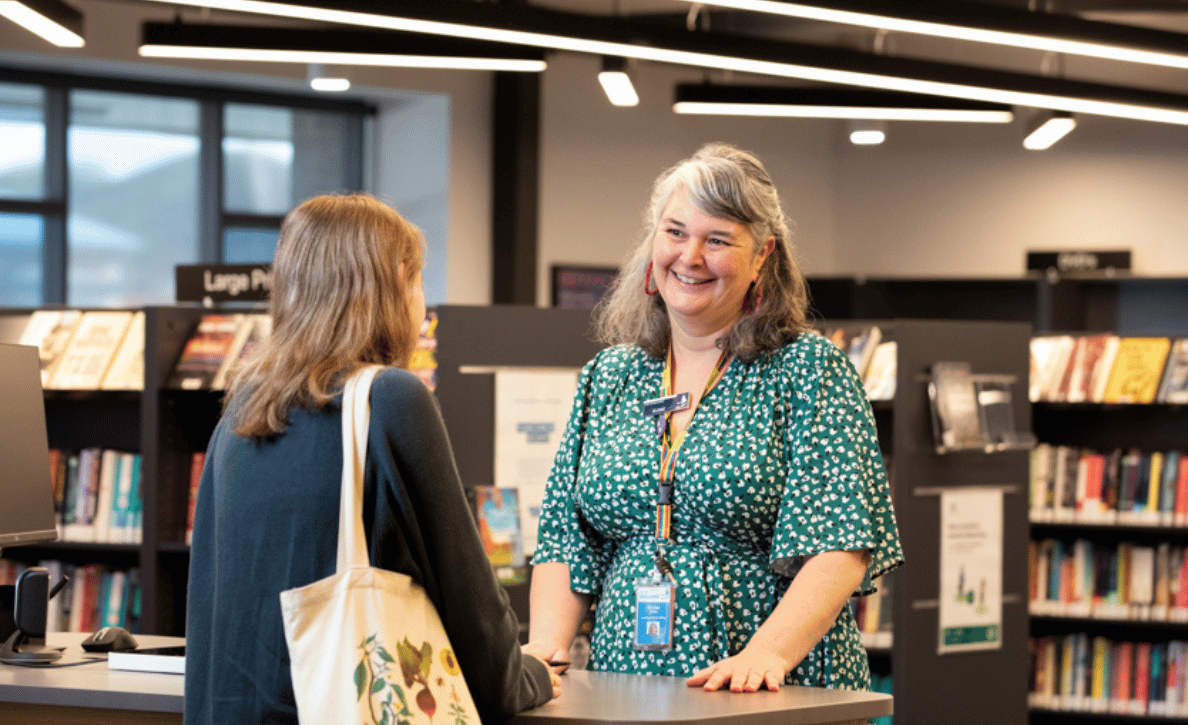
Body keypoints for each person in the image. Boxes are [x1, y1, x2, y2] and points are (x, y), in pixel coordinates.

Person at [525, 143, 903, 694]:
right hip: (625, 683)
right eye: (675, 232)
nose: (690, 256)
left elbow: (840, 543)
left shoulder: (808, 370)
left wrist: (767, 654)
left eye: (718, 240)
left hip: (771, 684)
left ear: (762, 257)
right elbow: (565, 537)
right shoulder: (612, 375)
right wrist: (545, 650)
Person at [185, 194, 559, 724]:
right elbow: (466, 597)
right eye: (420, 282)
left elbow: (209, 608)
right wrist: (527, 675)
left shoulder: (242, 408)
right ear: (399, 279)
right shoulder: (391, 399)